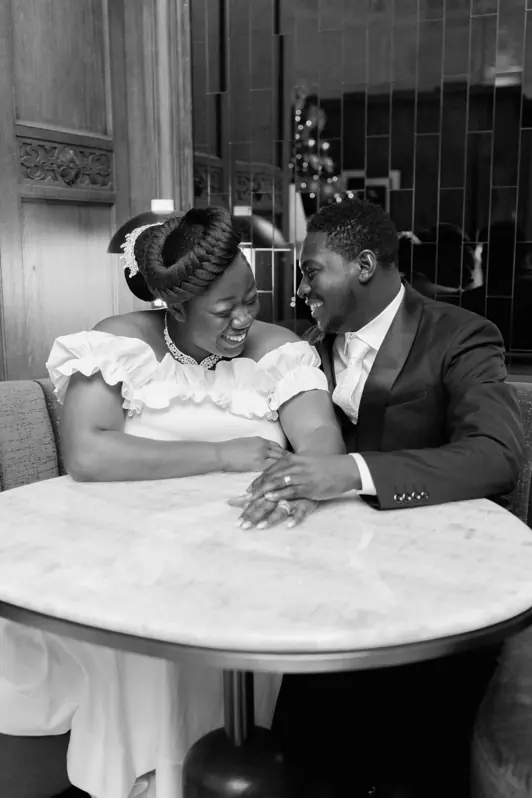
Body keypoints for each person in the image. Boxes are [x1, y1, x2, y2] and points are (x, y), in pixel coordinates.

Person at [0, 206, 345, 798]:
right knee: (135, 617)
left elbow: (321, 441)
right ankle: (146, 776)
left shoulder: (276, 350)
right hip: (128, 549)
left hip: (246, 553)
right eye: (223, 309)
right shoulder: (118, 342)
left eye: (251, 300)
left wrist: (297, 479)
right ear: (175, 306)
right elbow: (89, 453)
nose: (243, 319)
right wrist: (221, 454)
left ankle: (204, 768)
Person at [236, 198, 524, 797]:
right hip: (324, 595)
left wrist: (351, 471)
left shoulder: (461, 335)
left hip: (433, 602)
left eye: (312, 270)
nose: (301, 288)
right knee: (299, 753)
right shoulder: (307, 347)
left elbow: (496, 456)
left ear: (364, 264)